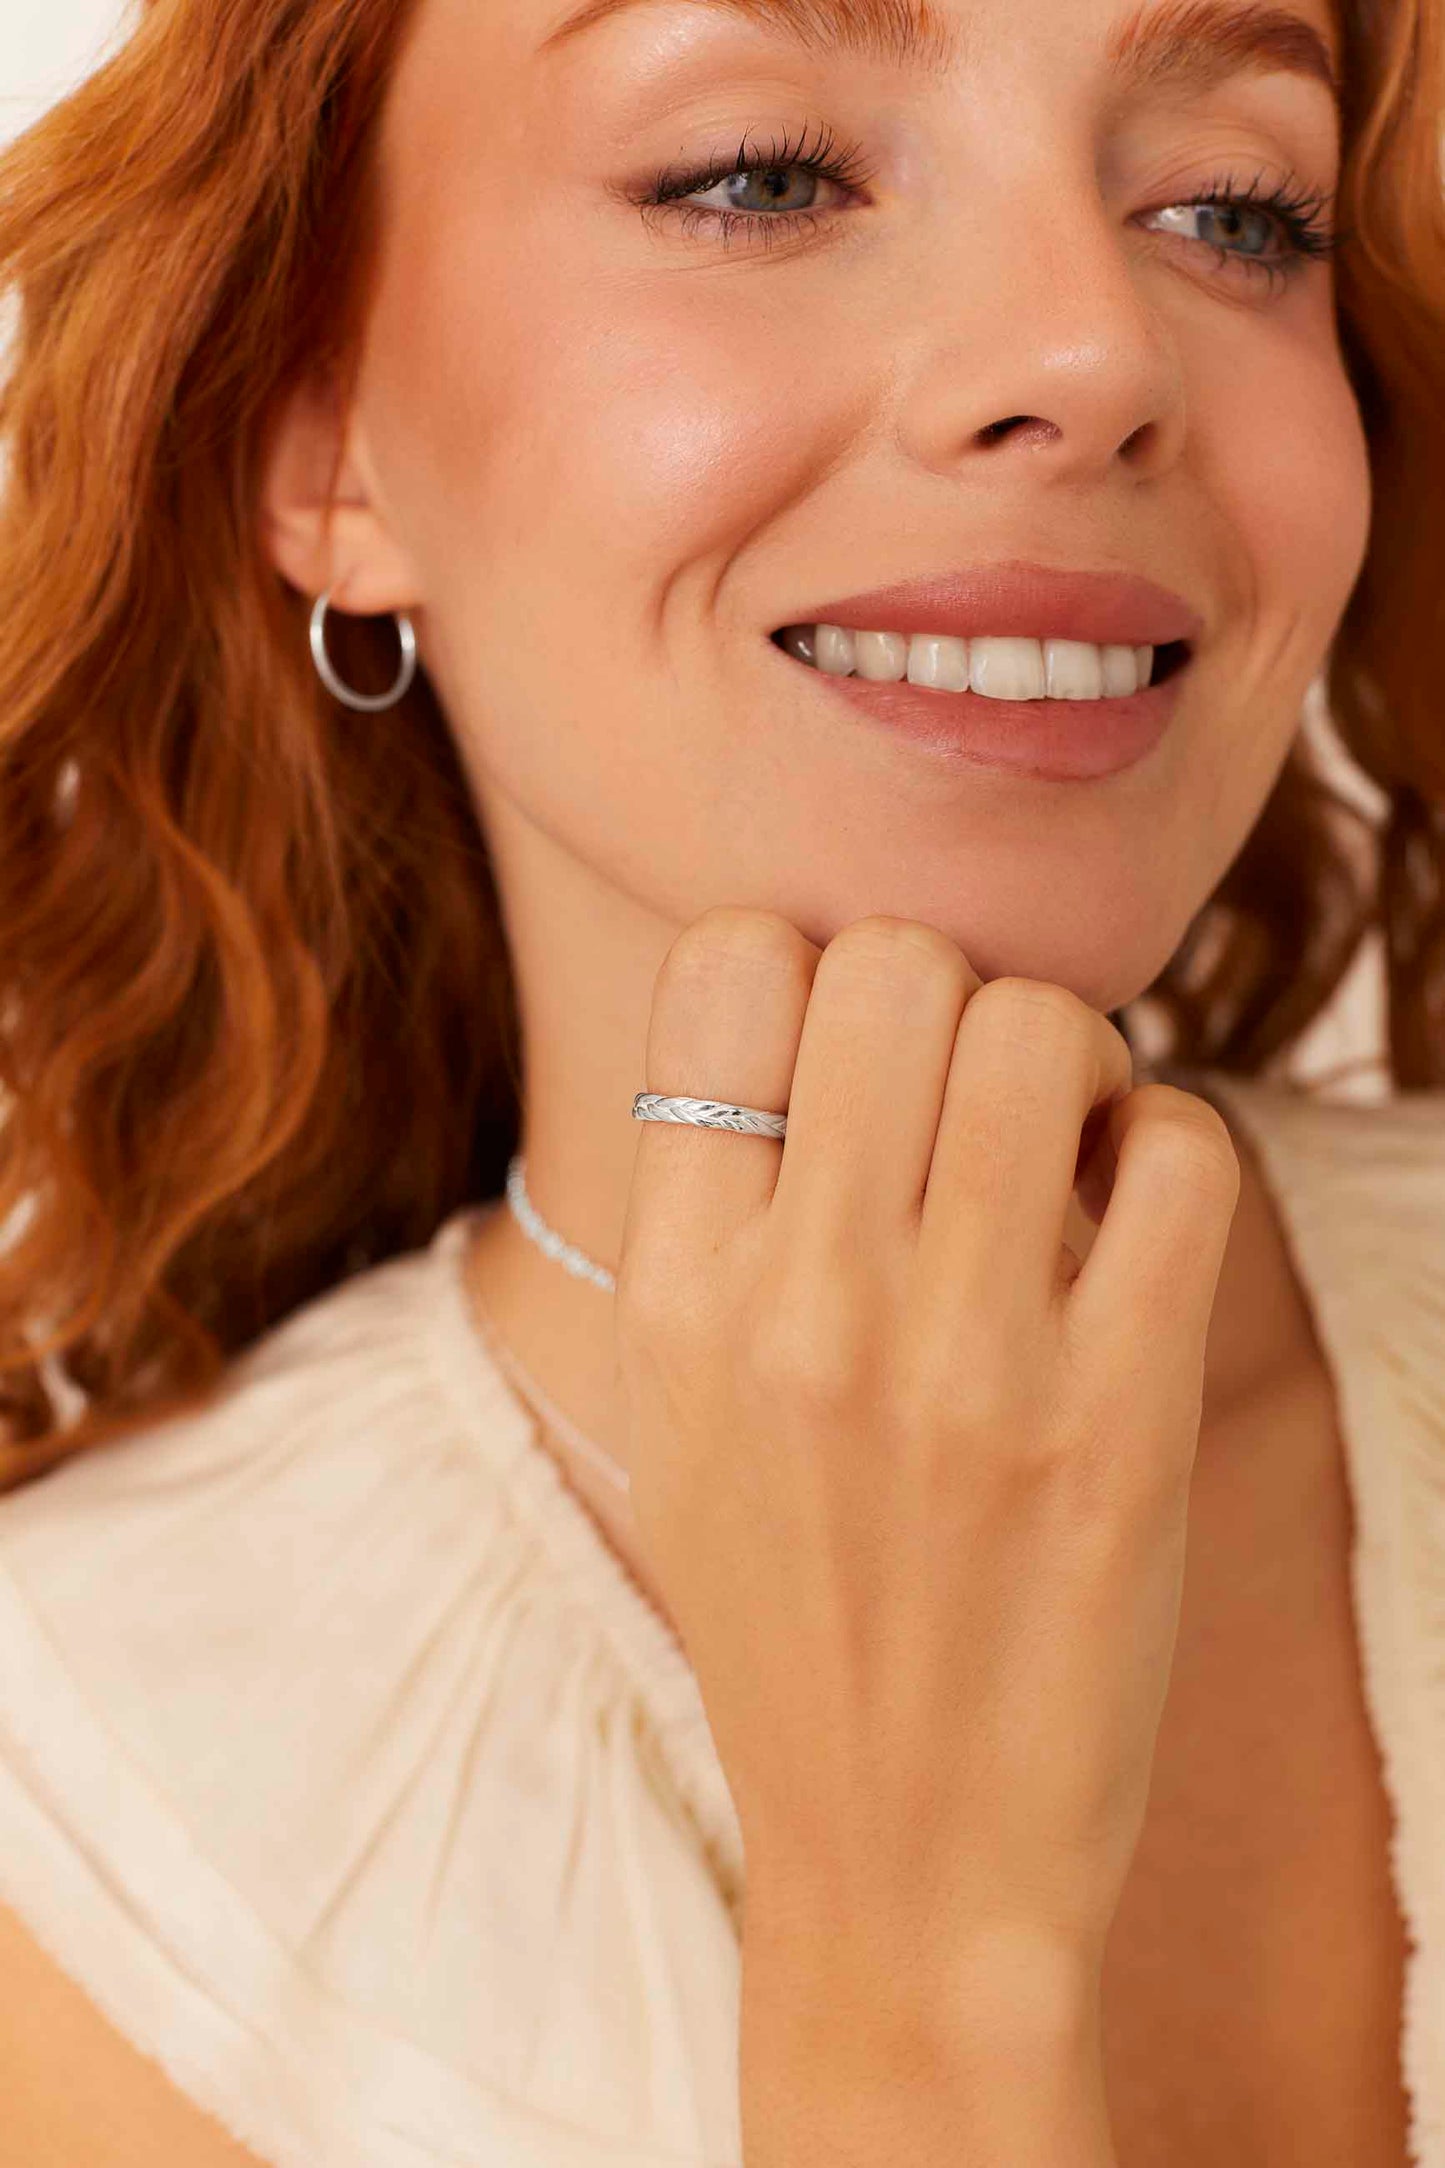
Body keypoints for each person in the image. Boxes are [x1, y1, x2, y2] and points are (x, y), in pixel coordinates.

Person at [0, 0, 1441, 2158]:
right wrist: (919, 1964)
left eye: (1237, 210)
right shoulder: (78, 1830)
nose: (1095, 350)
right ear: (323, 436)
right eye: (761, 175)